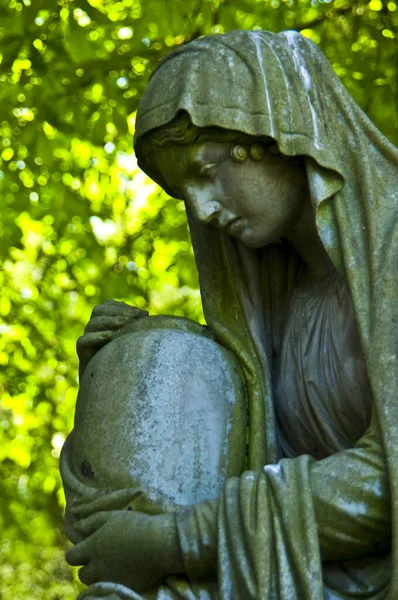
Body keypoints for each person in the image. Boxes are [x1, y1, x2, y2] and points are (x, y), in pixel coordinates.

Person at [63, 30, 398, 599]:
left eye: (203, 171)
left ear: (269, 137)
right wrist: (129, 380)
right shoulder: (277, 313)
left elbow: (383, 483)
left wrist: (177, 541)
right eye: (182, 191)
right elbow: (231, 470)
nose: (201, 209)